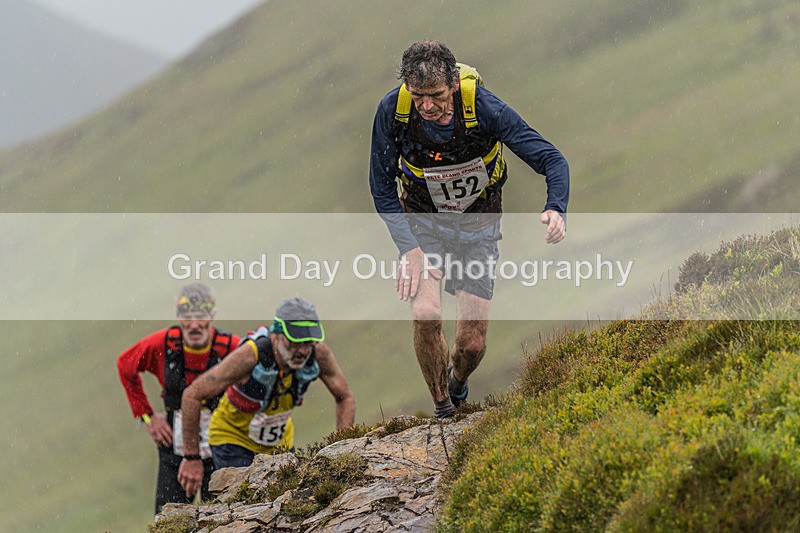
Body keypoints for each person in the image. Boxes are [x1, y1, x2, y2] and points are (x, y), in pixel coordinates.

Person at [369, 40, 570, 418]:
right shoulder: (393, 112)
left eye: (435, 96)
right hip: (424, 223)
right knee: (426, 313)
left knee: (472, 344)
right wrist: (408, 248)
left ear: (452, 82)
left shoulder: (482, 107)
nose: (426, 106)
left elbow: (551, 158)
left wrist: (555, 207)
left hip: (479, 225)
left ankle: (458, 384)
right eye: (417, 96)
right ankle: (443, 407)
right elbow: (380, 187)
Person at [177, 297, 355, 498]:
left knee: (289, 501)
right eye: (295, 341)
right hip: (233, 440)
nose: (303, 350)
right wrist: (191, 458)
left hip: (280, 443)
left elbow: (345, 397)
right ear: (277, 335)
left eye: (308, 342)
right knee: (245, 505)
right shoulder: (251, 355)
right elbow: (191, 395)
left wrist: (342, 447)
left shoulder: (318, 354)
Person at [117, 283, 240, 515]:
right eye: (187, 316)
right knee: (166, 520)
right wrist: (147, 416)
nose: (194, 325)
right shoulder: (162, 344)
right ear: (178, 316)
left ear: (212, 315)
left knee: (223, 518)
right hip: (175, 446)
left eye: (201, 316)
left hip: (222, 446)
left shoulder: (232, 348)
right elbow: (125, 365)